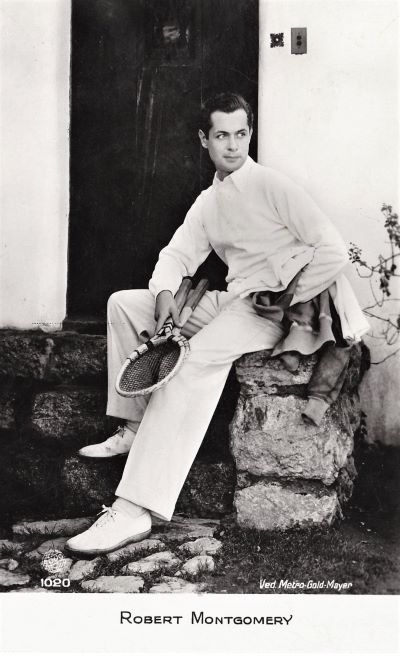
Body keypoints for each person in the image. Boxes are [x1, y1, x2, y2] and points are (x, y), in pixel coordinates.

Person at [65, 92, 369, 556]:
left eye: (241, 134)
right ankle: (133, 427)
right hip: (234, 299)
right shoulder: (209, 201)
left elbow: (332, 249)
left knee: (191, 365)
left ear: (250, 134)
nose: (233, 145)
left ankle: (133, 509)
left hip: (268, 312)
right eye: (222, 135)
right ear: (204, 139)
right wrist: (165, 295)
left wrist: (288, 298)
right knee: (124, 304)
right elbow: (177, 255)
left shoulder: (272, 185)